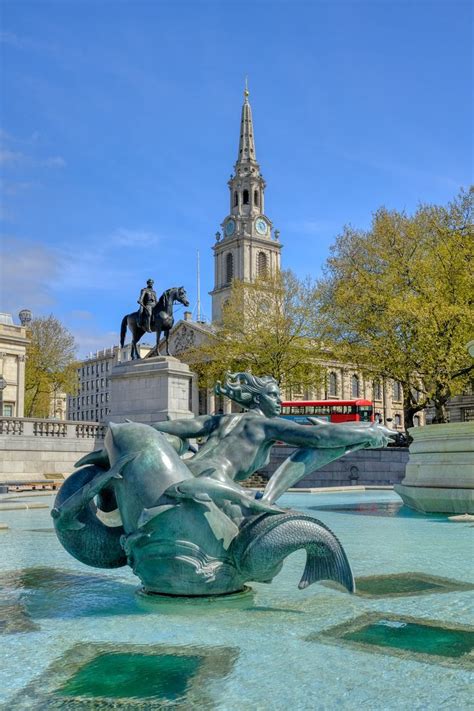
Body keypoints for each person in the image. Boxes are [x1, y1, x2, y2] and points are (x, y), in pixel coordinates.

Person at [152, 372, 392, 503]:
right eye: (274, 396)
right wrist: (371, 430)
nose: (280, 401)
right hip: (215, 482)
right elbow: (320, 436)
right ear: (258, 399)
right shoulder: (266, 425)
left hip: (183, 471)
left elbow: (172, 426)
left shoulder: (219, 420)